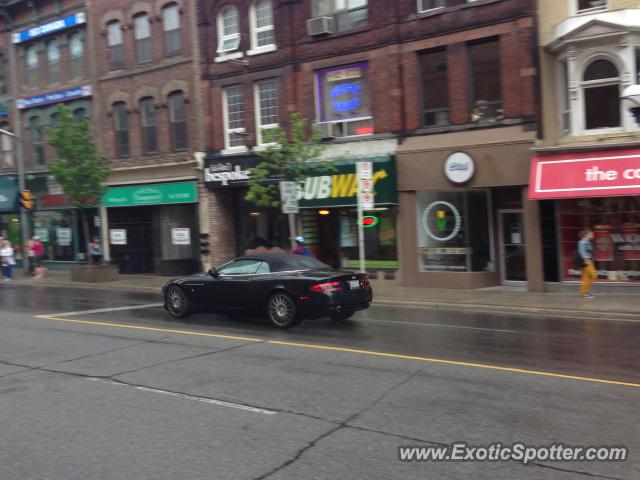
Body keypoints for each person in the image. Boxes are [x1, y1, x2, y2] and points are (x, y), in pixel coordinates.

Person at [578, 229, 597, 298]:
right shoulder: (582, 242)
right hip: (586, 262)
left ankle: (585, 293)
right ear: (586, 235)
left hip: (589, 261)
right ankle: (585, 293)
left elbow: (590, 252)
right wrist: (587, 260)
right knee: (593, 276)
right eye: (591, 234)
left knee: (587, 278)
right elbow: (582, 252)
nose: (592, 236)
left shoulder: (588, 242)